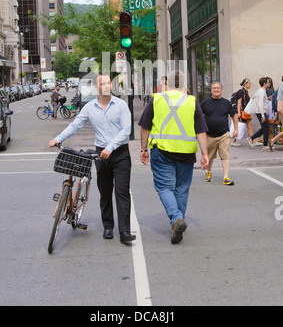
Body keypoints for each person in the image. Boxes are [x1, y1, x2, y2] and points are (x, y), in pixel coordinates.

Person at [49, 73, 135, 245]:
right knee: (105, 192)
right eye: (101, 83)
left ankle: (125, 231)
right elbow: (75, 125)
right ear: (96, 88)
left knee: (122, 192)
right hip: (101, 154)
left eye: (107, 83)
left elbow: (126, 130)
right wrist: (58, 138)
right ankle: (108, 227)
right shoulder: (89, 107)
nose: (105, 86)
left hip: (120, 154)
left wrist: (110, 148)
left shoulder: (121, 105)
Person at [139, 71, 209, 244]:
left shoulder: (156, 99)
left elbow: (144, 128)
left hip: (161, 151)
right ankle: (177, 222)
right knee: (182, 188)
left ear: (165, 83)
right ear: (184, 84)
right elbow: (201, 130)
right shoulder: (192, 101)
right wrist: (205, 154)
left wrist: (143, 149)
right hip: (186, 152)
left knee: (164, 188)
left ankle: (176, 219)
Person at [201, 81, 238, 186]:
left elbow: (234, 115)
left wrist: (236, 129)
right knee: (209, 156)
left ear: (221, 90)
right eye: (214, 88)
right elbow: (198, 116)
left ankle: (226, 177)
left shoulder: (226, 103)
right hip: (209, 135)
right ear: (211, 90)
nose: (216, 90)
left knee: (225, 155)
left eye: (218, 88)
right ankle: (208, 172)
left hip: (224, 134)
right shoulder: (205, 103)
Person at [246, 77, 270, 149]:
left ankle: (251, 138)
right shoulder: (262, 91)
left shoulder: (260, 91)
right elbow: (260, 104)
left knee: (265, 128)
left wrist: (268, 98)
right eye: (268, 82)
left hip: (260, 112)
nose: (269, 83)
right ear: (264, 83)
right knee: (266, 128)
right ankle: (265, 145)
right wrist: (263, 115)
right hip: (261, 112)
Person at [231, 78, 256, 147]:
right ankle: (234, 141)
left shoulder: (246, 92)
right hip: (242, 112)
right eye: (249, 83)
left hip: (246, 112)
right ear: (245, 84)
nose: (250, 85)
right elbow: (239, 103)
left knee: (249, 125)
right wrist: (239, 113)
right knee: (238, 126)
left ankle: (253, 140)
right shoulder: (241, 91)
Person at [269, 77, 283, 151]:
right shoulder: (282, 88)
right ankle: (272, 140)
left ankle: (272, 140)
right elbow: (279, 108)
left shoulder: (279, 88)